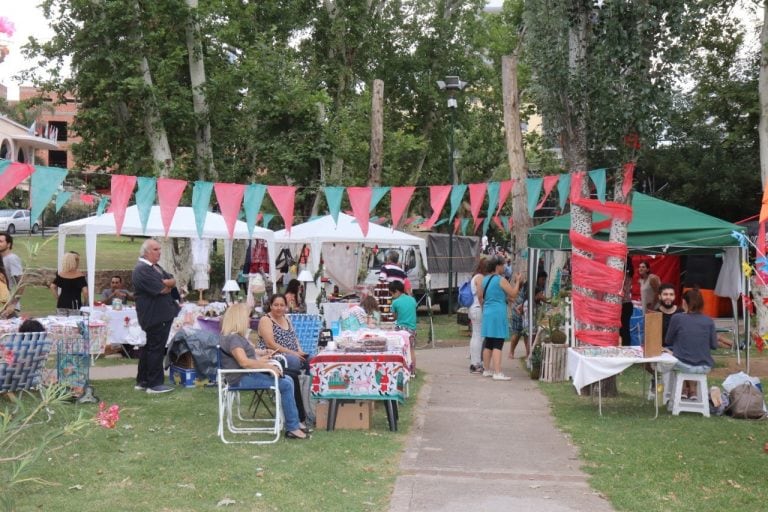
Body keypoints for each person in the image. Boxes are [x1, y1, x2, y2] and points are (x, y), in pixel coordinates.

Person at [219, 303, 309, 440]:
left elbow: (247, 357)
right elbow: (244, 362)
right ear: (239, 319)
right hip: (241, 378)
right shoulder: (234, 339)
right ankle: (293, 427)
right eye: (247, 317)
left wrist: (263, 358)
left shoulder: (233, 337)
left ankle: (294, 423)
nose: (249, 320)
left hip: (245, 374)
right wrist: (267, 366)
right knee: (285, 383)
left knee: (288, 380)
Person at [132, 239, 179, 394]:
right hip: (154, 315)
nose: (159, 251)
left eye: (159, 248)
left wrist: (170, 282)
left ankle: (143, 381)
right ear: (146, 252)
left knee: (150, 347)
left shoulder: (155, 267)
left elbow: (171, 279)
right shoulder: (142, 269)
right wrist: (168, 284)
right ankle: (154, 383)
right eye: (155, 249)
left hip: (161, 313)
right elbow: (162, 289)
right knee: (156, 348)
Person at [257, 294, 311, 428]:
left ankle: (311, 406)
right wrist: (294, 353)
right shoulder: (266, 320)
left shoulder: (287, 318)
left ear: (286, 307)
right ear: (270, 305)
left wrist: (300, 351)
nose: (279, 308)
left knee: (313, 361)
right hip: (275, 357)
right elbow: (270, 344)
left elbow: (294, 338)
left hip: (293, 353)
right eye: (276, 305)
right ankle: (298, 412)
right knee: (294, 362)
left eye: (282, 305)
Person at [664, 288, 718, 401]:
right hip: (705, 366)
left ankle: (683, 389)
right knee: (686, 358)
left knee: (673, 356)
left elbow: (668, 341)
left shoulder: (677, 318)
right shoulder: (709, 321)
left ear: (684, 302)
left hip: (683, 364)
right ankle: (691, 390)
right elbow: (714, 345)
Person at [477, 256, 521, 381]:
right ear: (497, 266)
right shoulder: (500, 280)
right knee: (498, 342)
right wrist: (517, 281)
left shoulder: (484, 280)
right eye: (503, 265)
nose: (504, 267)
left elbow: (480, 296)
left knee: (489, 342)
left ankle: (486, 369)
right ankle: (497, 372)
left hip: (487, 312)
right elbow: (513, 293)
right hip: (498, 313)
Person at [389, 280, 418, 373]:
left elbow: (394, 317)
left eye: (392, 294)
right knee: (411, 350)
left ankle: (402, 370)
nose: (392, 296)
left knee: (400, 350)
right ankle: (413, 371)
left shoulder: (395, 302)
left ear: (397, 291)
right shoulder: (412, 300)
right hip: (412, 329)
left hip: (401, 330)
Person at [469, 257, 487, 374]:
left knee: (476, 335)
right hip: (478, 308)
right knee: (478, 336)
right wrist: (484, 307)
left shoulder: (475, 276)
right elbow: (480, 295)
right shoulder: (480, 277)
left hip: (474, 308)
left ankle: (475, 361)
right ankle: (476, 363)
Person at [0, 232, 23, 316]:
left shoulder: (12, 259)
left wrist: (13, 304)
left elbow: (21, 283)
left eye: (0, 241)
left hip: (8, 306)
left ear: (8, 244)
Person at [619, 260, 634, 346]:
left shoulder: (622, 277)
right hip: (628, 304)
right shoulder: (629, 275)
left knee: (623, 328)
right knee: (626, 327)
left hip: (623, 304)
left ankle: (625, 345)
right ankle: (626, 345)